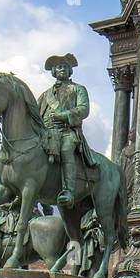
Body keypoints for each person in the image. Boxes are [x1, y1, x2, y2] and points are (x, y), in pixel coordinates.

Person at [37, 53, 96, 208]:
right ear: (54, 71)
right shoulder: (45, 96)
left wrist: (64, 115)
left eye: (64, 66)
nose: (61, 69)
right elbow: (35, 115)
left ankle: (67, 190)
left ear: (70, 70)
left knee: (66, 149)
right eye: (58, 67)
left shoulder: (78, 89)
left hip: (66, 132)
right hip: (47, 135)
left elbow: (84, 109)